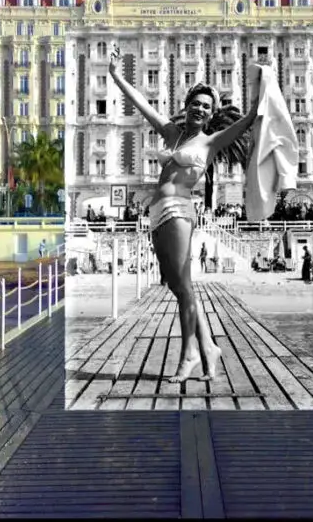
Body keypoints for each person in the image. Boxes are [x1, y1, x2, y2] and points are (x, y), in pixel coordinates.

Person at [109, 44, 261, 383]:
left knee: (183, 285)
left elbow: (248, 120)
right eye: (196, 103)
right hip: (158, 211)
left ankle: (189, 353)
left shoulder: (211, 143)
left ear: (211, 114)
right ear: (187, 105)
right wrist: (117, 76)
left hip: (180, 210)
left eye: (206, 107)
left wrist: (260, 88)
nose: (200, 110)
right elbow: (142, 104)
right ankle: (208, 346)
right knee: (176, 284)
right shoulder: (172, 133)